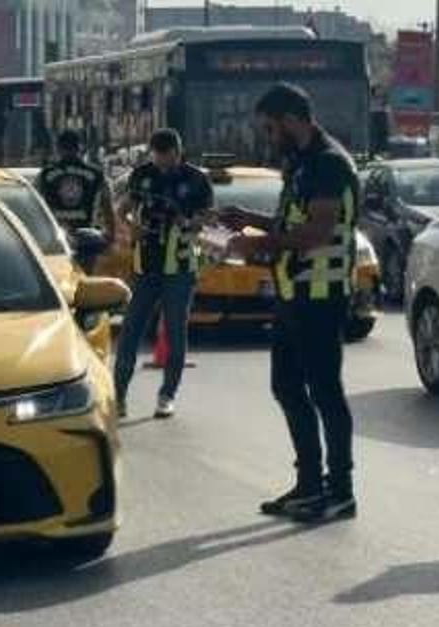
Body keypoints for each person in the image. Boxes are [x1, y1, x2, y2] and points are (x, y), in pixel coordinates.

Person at [219, 83, 358, 523]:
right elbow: (291, 221)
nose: (267, 135)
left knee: (325, 391)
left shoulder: (329, 163)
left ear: (292, 118)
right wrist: (250, 221)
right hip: (292, 291)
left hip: (321, 293)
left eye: (270, 126)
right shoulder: (299, 162)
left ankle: (339, 491)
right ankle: (309, 484)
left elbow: (317, 232)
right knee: (286, 387)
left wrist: (257, 247)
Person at [114, 128, 213, 419]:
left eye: (165, 157)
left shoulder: (196, 179)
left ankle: (167, 395)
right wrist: (130, 224)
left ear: (177, 152)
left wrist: (190, 222)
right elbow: (124, 208)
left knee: (175, 332)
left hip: (179, 267)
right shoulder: (142, 174)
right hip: (146, 265)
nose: (160, 163)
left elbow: (207, 215)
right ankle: (118, 395)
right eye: (156, 156)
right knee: (130, 332)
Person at [36, 129, 116, 236]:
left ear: (58, 148)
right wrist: (110, 234)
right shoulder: (96, 174)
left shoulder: (45, 174)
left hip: (55, 238)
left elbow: (35, 205)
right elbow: (107, 206)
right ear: (80, 148)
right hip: (87, 236)